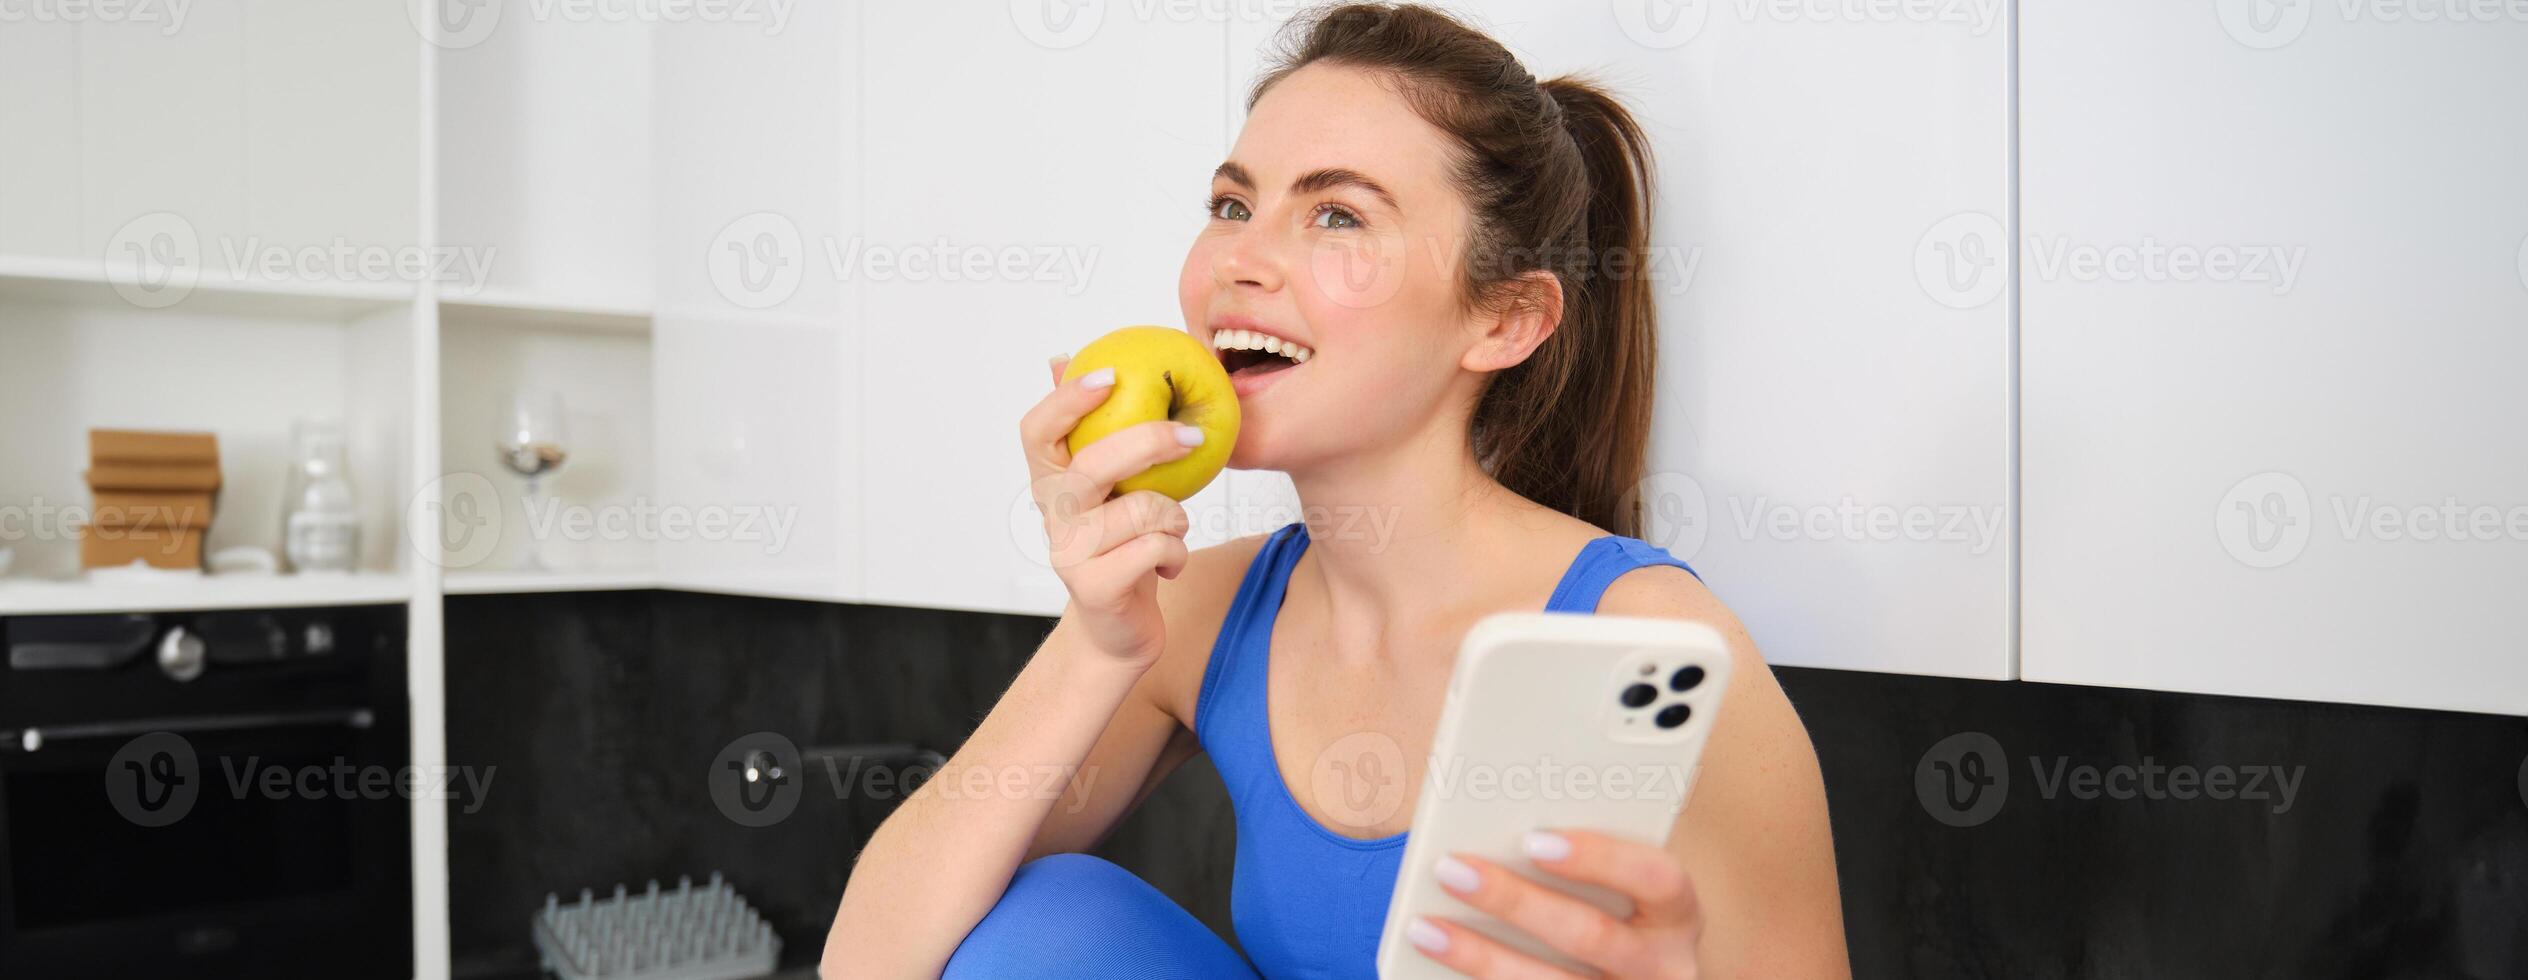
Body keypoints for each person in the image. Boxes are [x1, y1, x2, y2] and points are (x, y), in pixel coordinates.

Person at [824, 5, 1849, 977]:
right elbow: (873, 959)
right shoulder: (1196, 610)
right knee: (1042, 917)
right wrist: (1097, 645)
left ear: (1502, 321)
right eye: (1232, 204)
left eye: (1335, 214)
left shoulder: (1655, 644)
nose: (1240, 257)